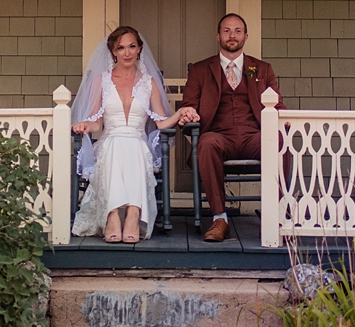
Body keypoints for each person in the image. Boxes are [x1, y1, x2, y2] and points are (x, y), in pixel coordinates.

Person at [178, 13, 284, 242]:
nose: (232, 35)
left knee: (279, 141)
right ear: (218, 36)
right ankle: (220, 218)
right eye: (226, 30)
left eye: (237, 30)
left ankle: (273, 214)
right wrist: (189, 113)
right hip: (219, 136)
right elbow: (188, 104)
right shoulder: (200, 70)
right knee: (205, 143)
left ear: (246, 36)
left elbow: (278, 106)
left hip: (253, 136)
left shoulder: (262, 69)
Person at [71, 26, 182, 242]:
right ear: (113, 51)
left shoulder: (148, 83)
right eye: (121, 48)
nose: (127, 53)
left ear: (139, 49)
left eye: (132, 46)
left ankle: (133, 214)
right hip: (110, 140)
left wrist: (179, 113)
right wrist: (84, 124)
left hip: (138, 141)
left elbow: (161, 123)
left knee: (135, 146)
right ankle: (112, 215)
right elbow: (95, 123)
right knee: (116, 145)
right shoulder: (100, 81)